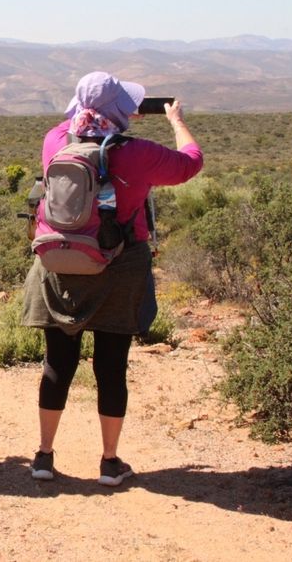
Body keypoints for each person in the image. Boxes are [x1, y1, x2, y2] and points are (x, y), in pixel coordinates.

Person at [22, 71, 203, 486]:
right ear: (122, 111)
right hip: (119, 266)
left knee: (57, 363)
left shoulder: (55, 141)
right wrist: (175, 120)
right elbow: (192, 162)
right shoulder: (138, 153)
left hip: (61, 264)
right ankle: (108, 462)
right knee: (111, 366)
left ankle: (44, 457)